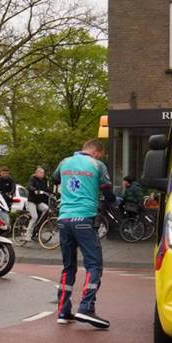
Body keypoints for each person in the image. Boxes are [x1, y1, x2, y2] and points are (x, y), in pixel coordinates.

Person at [52, 140, 112, 330]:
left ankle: (63, 311)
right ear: (96, 152)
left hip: (64, 219)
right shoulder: (97, 165)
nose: (100, 157)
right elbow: (107, 189)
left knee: (68, 266)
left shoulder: (65, 162)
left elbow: (55, 179)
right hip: (84, 219)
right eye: (100, 155)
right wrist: (112, 201)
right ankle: (86, 307)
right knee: (94, 264)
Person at [27, 166, 51, 234]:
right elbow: (29, 186)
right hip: (32, 201)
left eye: (43, 173)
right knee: (34, 217)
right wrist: (34, 190)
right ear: (37, 173)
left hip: (39, 202)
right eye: (41, 173)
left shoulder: (44, 180)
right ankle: (27, 235)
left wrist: (52, 193)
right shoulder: (33, 178)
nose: (43, 174)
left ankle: (37, 224)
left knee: (46, 209)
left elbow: (46, 189)